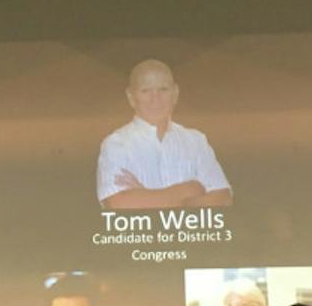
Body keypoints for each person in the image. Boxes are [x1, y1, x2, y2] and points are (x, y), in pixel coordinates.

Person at [96, 59, 232, 209]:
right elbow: (117, 204)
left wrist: (147, 197)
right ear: (131, 96)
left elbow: (223, 199)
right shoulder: (116, 144)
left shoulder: (196, 140)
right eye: (145, 91)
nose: (155, 99)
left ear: (175, 93)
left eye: (163, 89)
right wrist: (189, 190)